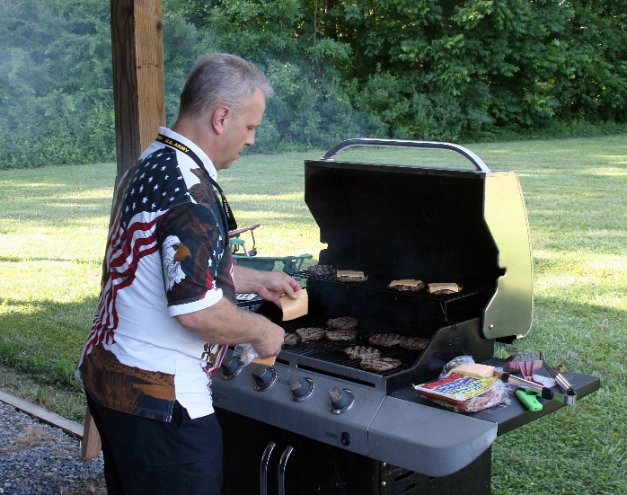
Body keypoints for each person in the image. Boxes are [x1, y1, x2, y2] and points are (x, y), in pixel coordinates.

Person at [77, 53, 301, 495]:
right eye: (250, 126)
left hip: (111, 375)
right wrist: (262, 332)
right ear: (221, 117)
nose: (251, 139)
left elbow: (167, 260)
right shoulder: (190, 195)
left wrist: (252, 280)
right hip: (162, 401)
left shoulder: (155, 161)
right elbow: (196, 312)